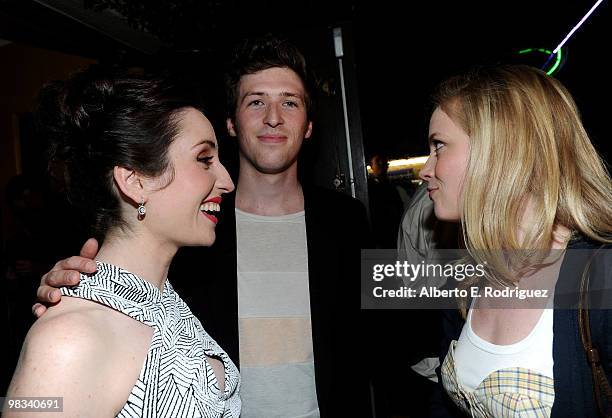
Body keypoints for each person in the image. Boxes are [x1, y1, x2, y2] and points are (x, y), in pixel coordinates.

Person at [33, 36, 370, 417]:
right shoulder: (193, 223)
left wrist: (445, 272)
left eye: (289, 102)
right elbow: (116, 286)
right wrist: (70, 296)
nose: (273, 117)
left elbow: (395, 324)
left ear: (309, 125)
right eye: (256, 101)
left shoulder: (348, 219)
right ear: (231, 123)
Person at [6, 67, 240, 417]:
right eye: (204, 159)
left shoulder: (170, 304)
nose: (226, 180)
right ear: (134, 182)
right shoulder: (68, 340)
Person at [418, 65, 612, 417]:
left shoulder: (600, 280)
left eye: (439, 146)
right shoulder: (468, 277)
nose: (425, 169)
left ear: (501, 151)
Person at [367, 154, 404, 248]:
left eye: (383, 161)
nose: (381, 164)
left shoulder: (392, 187)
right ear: (371, 166)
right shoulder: (368, 188)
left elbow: (399, 208)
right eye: (378, 161)